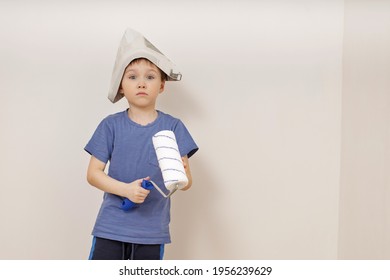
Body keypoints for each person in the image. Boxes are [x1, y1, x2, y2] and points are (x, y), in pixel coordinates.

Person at [84, 29, 198, 260]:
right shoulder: (110, 126)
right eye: (133, 76)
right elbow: (93, 174)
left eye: (150, 77)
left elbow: (186, 183)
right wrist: (125, 190)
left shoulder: (174, 128)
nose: (142, 83)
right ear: (121, 86)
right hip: (111, 228)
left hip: (151, 233)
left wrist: (183, 178)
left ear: (162, 86)